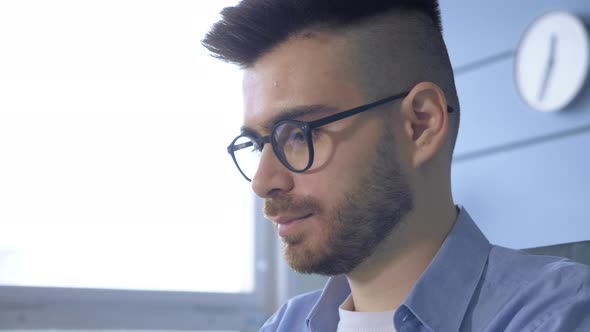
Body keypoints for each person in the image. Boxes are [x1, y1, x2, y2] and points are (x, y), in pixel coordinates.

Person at [202, 0, 590, 331]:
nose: (263, 181)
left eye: (298, 134)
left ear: (420, 125)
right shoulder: (285, 324)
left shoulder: (558, 314)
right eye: (256, 145)